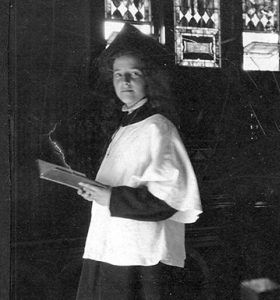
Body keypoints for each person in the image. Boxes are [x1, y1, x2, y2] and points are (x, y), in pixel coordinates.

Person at [75, 23, 202, 300]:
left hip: (141, 254)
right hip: (114, 245)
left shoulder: (158, 128)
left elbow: (168, 201)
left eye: (134, 74)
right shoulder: (126, 125)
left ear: (150, 80)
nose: (125, 82)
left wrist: (110, 197)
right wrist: (97, 193)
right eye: (119, 75)